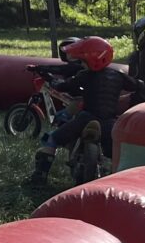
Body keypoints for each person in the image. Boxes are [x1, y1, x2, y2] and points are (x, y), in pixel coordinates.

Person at [28, 36, 139, 187]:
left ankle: (39, 177)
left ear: (89, 60)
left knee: (52, 138)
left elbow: (62, 86)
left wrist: (49, 78)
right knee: (114, 153)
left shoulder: (84, 76)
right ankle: (120, 183)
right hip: (109, 122)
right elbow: (137, 85)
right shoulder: (118, 75)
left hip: (85, 118)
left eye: (82, 60)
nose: (80, 63)